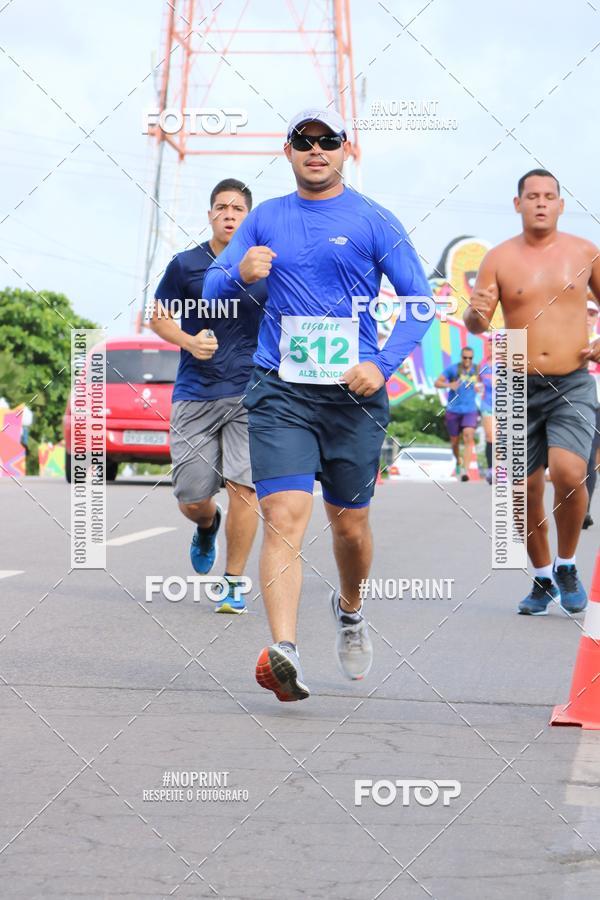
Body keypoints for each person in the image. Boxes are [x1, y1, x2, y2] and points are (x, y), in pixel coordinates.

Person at [203, 106, 433, 701]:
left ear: (344, 149)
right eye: (303, 141)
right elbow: (208, 289)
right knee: (284, 515)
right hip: (280, 389)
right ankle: (285, 650)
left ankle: (350, 609)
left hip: (353, 396)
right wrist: (238, 274)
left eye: (327, 140)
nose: (315, 150)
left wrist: (380, 367)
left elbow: (420, 302)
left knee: (350, 527)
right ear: (288, 152)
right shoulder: (265, 219)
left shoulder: (374, 220)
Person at [465, 168, 600, 616]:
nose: (541, 202)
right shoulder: (499, 258)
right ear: (517, 203)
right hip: (516, 385)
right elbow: (477, 322)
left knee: (568, 472)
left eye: (549, 196)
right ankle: (542, 577)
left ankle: (566, 565)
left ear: (561, 204)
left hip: (572, 382)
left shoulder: (585, 252)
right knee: (522, 491)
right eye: (532, 196)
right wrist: (476, 316)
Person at [150, 178, 266, 614]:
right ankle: (207, 525)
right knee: (192, 499)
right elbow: (158, 317)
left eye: (238, 209)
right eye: (221, 207)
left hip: (249, 392)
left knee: (245, 487)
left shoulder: (265, 265)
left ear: (248, 217)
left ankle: (234, 582)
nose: (229, 215)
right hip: (195, 393)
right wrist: (187, 340)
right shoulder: (186, 265)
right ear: (210, 214)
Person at [434, 347, 479, 481]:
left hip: (470, 410)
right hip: (453, 410)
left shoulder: (476, 370)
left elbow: (487, 381)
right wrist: (449, 385)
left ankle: (466, 470)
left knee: (468, 436)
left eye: (470, 358)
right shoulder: (453, 369)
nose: (467, 360)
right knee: (454, 442)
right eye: (465, 357)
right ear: (461, 357)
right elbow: (437, 383)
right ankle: (458, 462)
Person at [583, 297, 600, 528]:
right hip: (573, 406)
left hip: (597, 405)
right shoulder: (564, 340)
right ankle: (580, 509)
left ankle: (583, 509)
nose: (587, 317)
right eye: (584, 312)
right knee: (582, 460)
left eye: (592, 313)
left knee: (591, 459)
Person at [477, 336, 495, 485]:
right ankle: (491, 469)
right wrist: (477, 387)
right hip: (487, 404)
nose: (492, 347)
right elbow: (477, 381)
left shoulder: (508, 363)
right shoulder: (482, 364)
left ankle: (501, 470)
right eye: (489, 344)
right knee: (490, 437)